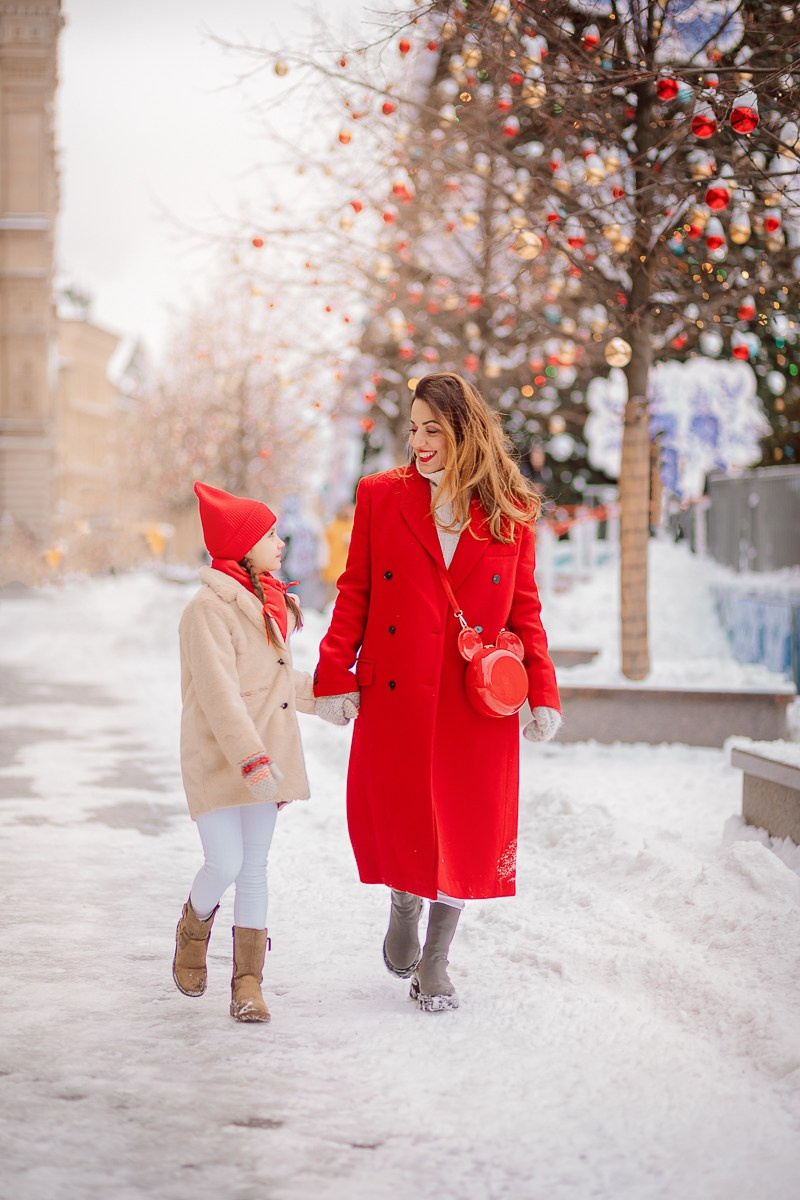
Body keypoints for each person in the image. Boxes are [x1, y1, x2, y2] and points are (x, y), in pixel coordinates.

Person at [313, 372, 561, 1013]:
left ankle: (437, 958)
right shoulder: (380, 496)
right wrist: (335, 673)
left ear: (463, 433)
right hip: (398, 683)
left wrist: (542, 690)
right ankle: (403, 898)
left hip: (475, 695)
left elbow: (524, 611)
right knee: (402, 809)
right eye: (414, 428)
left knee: (469, 823)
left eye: (433, 430)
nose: (419, 442)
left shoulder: (511, 508)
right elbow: (356, 591)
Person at [173, 481, 342, 1023]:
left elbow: (273, 683)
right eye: (269, 534)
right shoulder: (207, 611)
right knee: (225, 861)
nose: (280, 542)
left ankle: (248, 984)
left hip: (267, 755)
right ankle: (193, 927)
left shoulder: (270, 603)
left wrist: (328, 699)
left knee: (256, 867)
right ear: (242, 545)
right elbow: (221, 696)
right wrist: (250, 759)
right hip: (223, 758)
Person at [321, 502, 355, 606]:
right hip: (332, 562)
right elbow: (325, 541)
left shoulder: (353, 524)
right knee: (329, 591)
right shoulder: (333, 524)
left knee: (340, 591)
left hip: (344, 564)